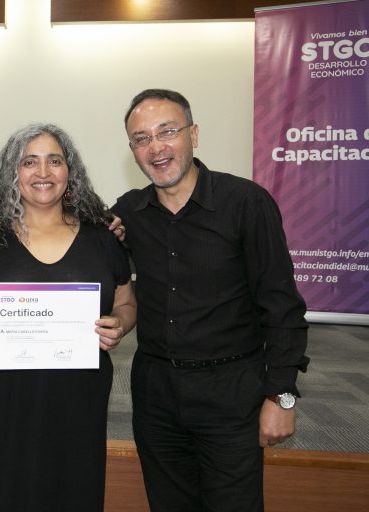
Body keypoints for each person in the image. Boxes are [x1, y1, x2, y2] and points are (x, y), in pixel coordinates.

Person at [111, 89, 309, 511]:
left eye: (168, 132)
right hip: (156, 392)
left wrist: (282, 396)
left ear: (193, 134)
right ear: (133, 150)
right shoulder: (128, 212)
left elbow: (283, 307)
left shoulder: (246, 203)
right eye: (141, 139)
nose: (156, 147)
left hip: (232, 391)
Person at [0, 124, 137, 511]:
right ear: (12, 173)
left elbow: (127, 303)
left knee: (73, 487)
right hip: (3, 397)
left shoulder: (102, 236)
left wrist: (119, 324)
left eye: (55, 161)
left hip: (77, 396)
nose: (43, 172)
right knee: (1, 487)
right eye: (29, 162)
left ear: (70, 172)